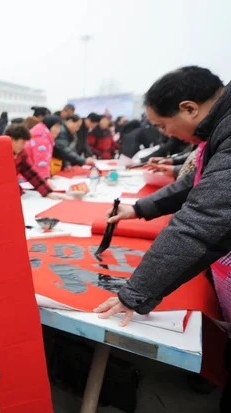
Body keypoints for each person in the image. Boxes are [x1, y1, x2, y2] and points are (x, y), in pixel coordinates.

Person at [92, 66, 231, 412]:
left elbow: (201, 219)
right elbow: (194, 183)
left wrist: (134, 293)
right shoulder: (216, 130)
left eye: (161, 124)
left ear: (188, 108)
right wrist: (138, 209)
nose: (165, 133)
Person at [6, 124, 63, 199]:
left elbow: (31, 174)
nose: (24, 146)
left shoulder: (22, 154)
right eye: (22, 142)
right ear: (12, 139)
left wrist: (47, 192)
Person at [26, 115, 62, 180]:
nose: (58, 130)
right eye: (56, 127)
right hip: (29, 180)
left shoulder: (40, 135)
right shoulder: (41, 139)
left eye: (59, 127)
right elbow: (40, 164)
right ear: (49, 125)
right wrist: (45, 180)